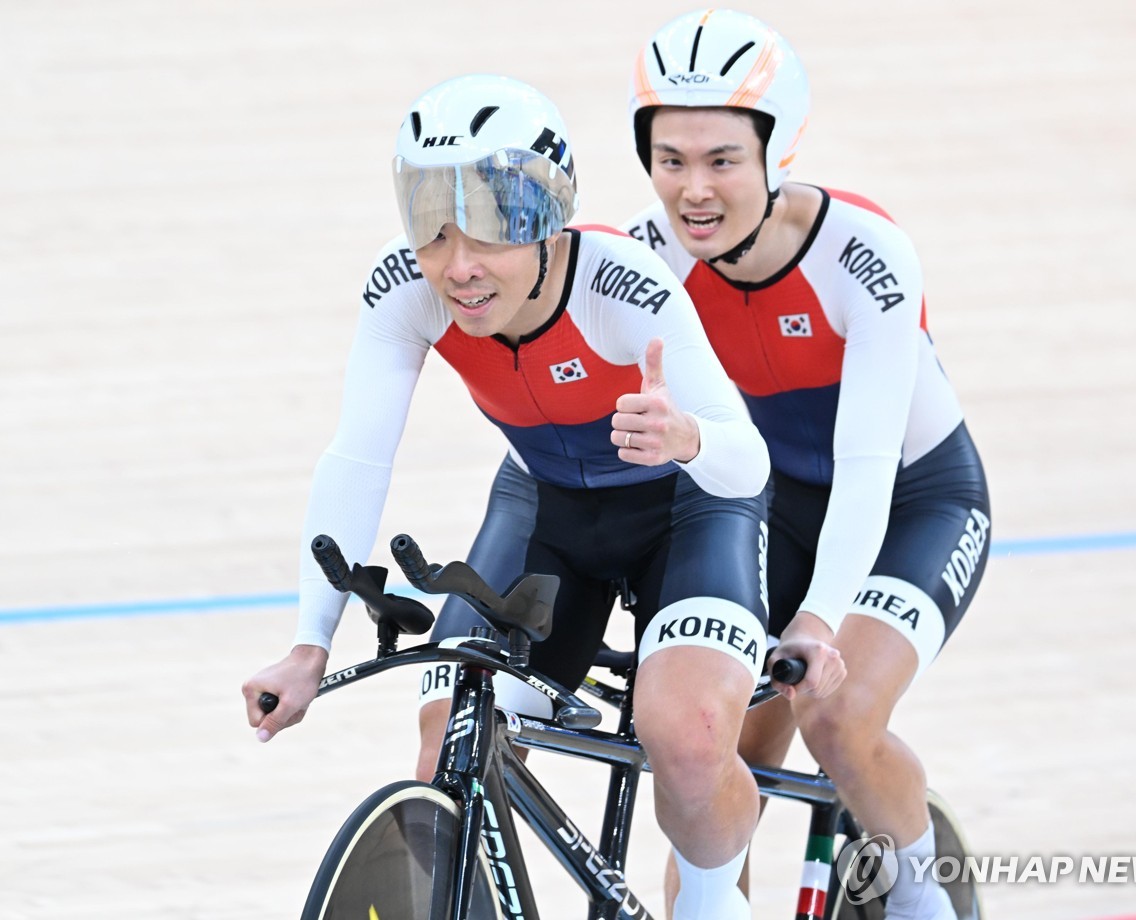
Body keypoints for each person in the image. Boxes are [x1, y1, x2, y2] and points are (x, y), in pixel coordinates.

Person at [241, 73, 774, 920]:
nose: (459, 266)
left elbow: (746, 465)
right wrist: (309, 644)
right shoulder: (406, 290)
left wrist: (689, 440)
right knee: (444, 736)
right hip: (549, 511)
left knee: (688, 736)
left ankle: (712, 904)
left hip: (687, 509)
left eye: (492, 230)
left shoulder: (620, 284)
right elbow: (355, 460)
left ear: (547, 220)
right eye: (432, 225)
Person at [624, 10, 992, 920]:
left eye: (721, 160)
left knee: (837, 717)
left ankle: (922, 906)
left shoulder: (864, 257)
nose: (693, 191)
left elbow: (866, 466)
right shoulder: (649, 258)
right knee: (718, 760)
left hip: (913, 501)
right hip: (778, 507)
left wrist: (820, 623)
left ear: (776, 151)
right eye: (672, 160)